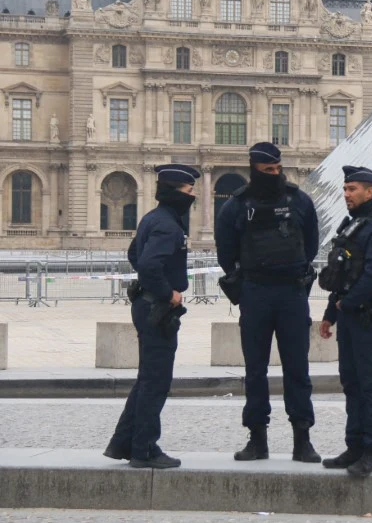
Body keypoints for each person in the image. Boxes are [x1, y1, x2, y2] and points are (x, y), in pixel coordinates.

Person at [214, 142, 321, 464]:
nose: (274, 174)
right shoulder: (236, 206)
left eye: (277, 169)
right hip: (256, 292)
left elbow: (311, 246)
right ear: (254, 169)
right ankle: (257, 438)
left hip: (290, 293)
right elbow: (225, 253)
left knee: (298, 369)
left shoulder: (299, 200)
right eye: (267, 170)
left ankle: (302, 439)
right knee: (255, 370)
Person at [104, 164, 199, 469]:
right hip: (157, 307)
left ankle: (123, 442)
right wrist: (168, 293)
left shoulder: (152, 218)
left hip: (145, 304)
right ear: (175, 192)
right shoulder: (169, 226)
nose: (193, 196)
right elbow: (147, 264)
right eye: (189, 191)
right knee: (156, 381)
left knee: (147, 378)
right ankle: (144, 449)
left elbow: (134, 254)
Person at [319, 166, 372, 477]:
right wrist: (331, 314)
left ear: (370, 191)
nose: (346, 194)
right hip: (349, 315)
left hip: (368, 315)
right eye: (345, 189)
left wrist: (347, 303)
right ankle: (354, 446)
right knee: (351, 383)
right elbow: (342, 276)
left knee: (371, 384)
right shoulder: (353, 226)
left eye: (352, 189)